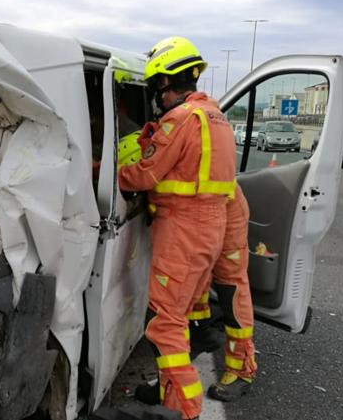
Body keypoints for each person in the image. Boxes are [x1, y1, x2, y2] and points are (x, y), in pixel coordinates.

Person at [117, 36, 236, 420]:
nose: (157, 97)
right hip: (209, 226)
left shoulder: (180, 119)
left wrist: (110, 174)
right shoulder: (214, 116)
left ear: (167, 83)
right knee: (177, 315)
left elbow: (145, 173)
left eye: (157, 88)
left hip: (184, 229)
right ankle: (168, 392)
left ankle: (183, 410)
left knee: (164, 322)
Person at [189, 183, 257, 401]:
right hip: (200, 210)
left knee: (231, 287)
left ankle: (241, 369)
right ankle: (201, 335)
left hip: (222, 207)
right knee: (196, 278)